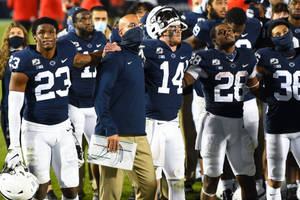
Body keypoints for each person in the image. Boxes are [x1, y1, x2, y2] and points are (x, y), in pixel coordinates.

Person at [4, 17, 116, 200]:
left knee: (71, 189)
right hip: (35, 131)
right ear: (34, 36)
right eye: (42, 33)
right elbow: (14, 108)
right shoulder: (23, 60)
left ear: (57, 35)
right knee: (39, 190)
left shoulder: (67, 49)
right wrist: (14, 146)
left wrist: (105, 52)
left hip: (63, 129)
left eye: (51, 32)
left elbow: (87, 59)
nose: (47, 36)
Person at [184, 23, 260, 200]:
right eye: (221, 32)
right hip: (214, 125)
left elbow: (254, 85)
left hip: (238, 124)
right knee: (211, 180)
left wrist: (269, 94)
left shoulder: (247, 57)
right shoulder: (203, 57)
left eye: (230, 30)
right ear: (213, 40)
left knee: (248, 180)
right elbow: (186, 80)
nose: (227, 33)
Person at [94, 13, 156, 200]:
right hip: (113, 135)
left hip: (139, 132)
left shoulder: (138, 58)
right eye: (131, 25)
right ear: (120, 32)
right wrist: (109, 129)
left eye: (139, 25)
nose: (137, 29)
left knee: (150, 185)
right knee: (111, 193)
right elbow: (100, 96)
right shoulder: (114, 57)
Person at [143, 6, 192, 200]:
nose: (178, 29)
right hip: (150, 122)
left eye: (178, 26)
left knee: (177, 176)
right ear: (157, 30)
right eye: (172, 27)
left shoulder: (185, 49)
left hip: (173, 122)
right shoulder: (147, 48)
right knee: (151, 179)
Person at [59, 8, 108, 200]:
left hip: (96, 104)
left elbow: (106, 61)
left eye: (90, 19)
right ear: (74, 22)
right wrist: (98, 55)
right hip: (74, 104)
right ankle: (74, 193)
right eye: (84, 19)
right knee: (73, 155)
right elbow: (77, 61)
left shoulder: (101, 37)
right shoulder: (65, 40)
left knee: (100, 154)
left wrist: (97, 56)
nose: (89, 22)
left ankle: (98, 192)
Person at [255, 19, 300, 200]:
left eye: (284, 32)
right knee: (274, 179)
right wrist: (262, 91)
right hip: (277, 126)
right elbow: (248, 70)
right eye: (277, 35)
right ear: (271, 40)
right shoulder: (264, 55)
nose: (282, 36)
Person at [0, 22, 29, 149]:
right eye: (12, 33)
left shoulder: (32, 55)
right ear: (7, 37)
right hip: (8, 108)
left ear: (24, 36)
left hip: (30, 108)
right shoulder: (2, 57)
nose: (15, 36)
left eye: (19, 33)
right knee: (13, 149)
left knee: (30, 151)